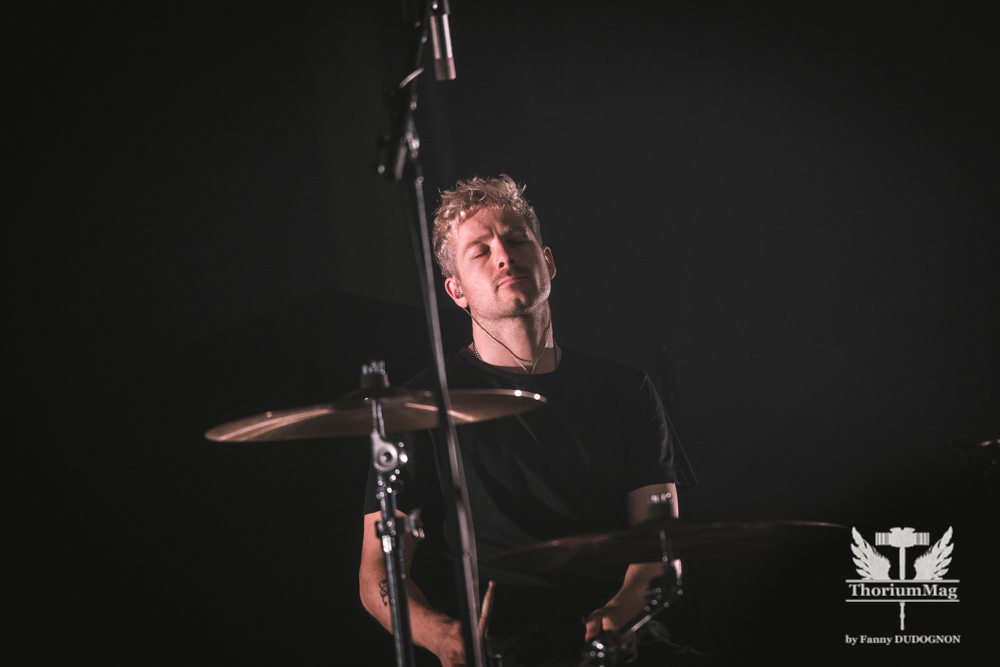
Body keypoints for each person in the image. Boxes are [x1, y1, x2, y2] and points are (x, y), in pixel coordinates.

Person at [359, 175, 697, 666]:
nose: (504, 255)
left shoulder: (626, 391)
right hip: (503, 649)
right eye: (480, 250)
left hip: (623, 644)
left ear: (549, 262)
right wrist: (441, 635)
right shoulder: (418, 407)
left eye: (517, 240)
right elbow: (377, 574)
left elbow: (659, 549)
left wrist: (621, 614)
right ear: (456, 291)